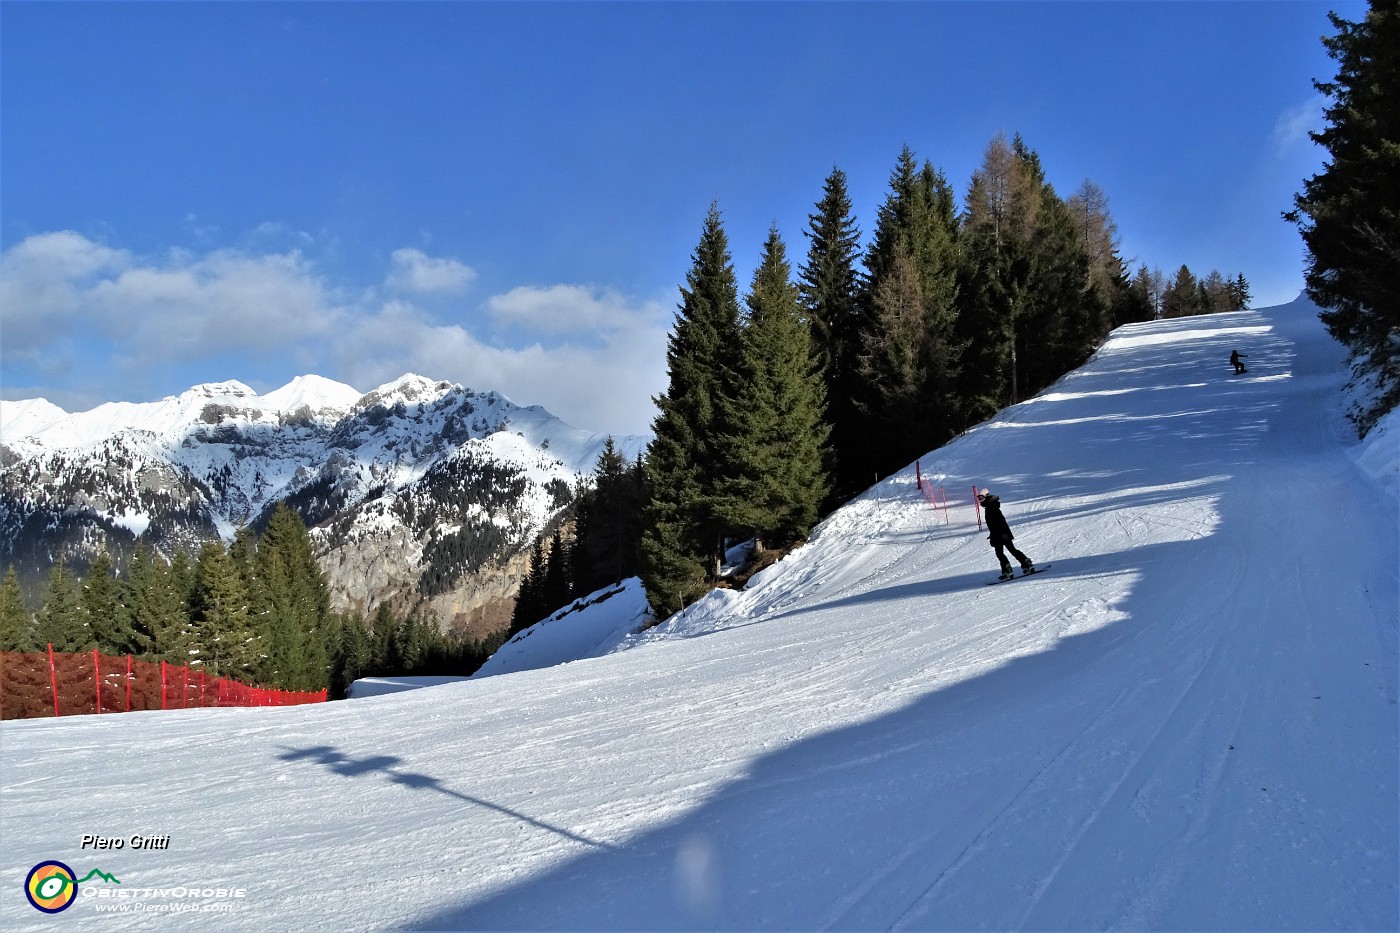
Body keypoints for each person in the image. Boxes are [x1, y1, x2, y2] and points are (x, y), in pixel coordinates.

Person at [978, 488, 1035, 580]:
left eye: (981, 497)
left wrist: (997, 534)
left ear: (987, 496)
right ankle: (1026, 563)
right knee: (1011, 550)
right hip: (1001, 533)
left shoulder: (991, 507)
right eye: (978, 498)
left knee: (1000, 553)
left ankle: (1007, 571)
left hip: (999, 534)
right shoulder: (991, 505)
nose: (980, 500)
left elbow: (998, 522)